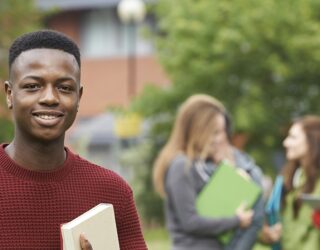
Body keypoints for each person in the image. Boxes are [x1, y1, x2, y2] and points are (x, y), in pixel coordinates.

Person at [1, 30, 147, 249]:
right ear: (9, 94)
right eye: (33, 86)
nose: (50, 98)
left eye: (64, 88)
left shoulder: (112, 192)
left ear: (79, 97)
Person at [153, 94, 264, 250]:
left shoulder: (201, 164)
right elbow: (190, 222)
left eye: (222, 132)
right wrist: (235, 221)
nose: (220, 139)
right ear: (198, 130)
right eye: (215, 132)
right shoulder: (181, 166)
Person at [257, 115, 320, 250]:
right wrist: (268, 234)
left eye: (293, 137)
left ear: (311, 140)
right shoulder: (289, 178)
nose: (286, 143)